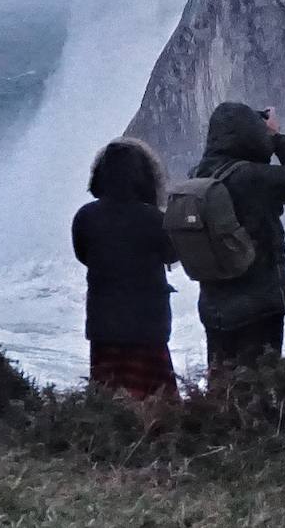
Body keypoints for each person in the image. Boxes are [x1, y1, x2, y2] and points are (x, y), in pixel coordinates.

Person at [192, 102, 285, 373]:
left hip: (214, 307)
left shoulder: (199, 175)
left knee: (222, 391)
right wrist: (276, 137)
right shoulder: (249, 178)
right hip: (258, 305)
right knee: (258, 392)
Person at [72, 137, 179, 399]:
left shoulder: (85, 216)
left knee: (109, 403)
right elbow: (172, 254)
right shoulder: (155, 219)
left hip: (104, 326)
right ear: (145, 178)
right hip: (147, 327)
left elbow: (83, 255)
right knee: (155, 405)